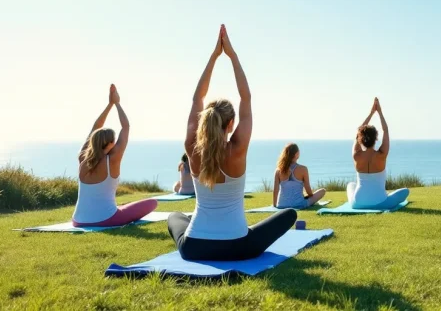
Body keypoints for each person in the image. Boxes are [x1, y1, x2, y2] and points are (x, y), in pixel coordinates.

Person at [167, 25, 296, 261]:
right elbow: (246, 97)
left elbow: (197, 98)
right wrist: (232, 56)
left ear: (204, 123)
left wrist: (214, 56)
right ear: (231, 123)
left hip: (193, 247)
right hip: (238, 247)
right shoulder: (237, 149)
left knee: (174, 216)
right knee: (289, 214)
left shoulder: (192, 148)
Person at [72, 84, 158, 227]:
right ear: (111, 143)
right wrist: (117, 103)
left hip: (78, 221)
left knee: (126, 206)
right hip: (107, 219)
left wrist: (109, 105)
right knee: (152, 203)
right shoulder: (112, 159)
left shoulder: (82, 158)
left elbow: (96, 127)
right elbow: (126, 127)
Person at [347, 98, 409, 209]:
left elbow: (358, 132)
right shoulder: (382, 154)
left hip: (357, 204)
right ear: (376, 138)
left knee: (350, 185)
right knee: (405, 191)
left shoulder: (356, 156)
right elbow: (385, 130)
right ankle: (385, 195)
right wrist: (379, 112)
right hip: (381, 202)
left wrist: (371, 113)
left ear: (360, 139)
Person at [273, 143, 327, 209]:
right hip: (299, 204)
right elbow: (308, 190)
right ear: (296, 154)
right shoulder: (303, 169)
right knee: (322, 191)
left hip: (282, 204)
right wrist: (310, 196)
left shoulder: (278, 170)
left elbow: (276, 190)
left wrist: (275, 205)